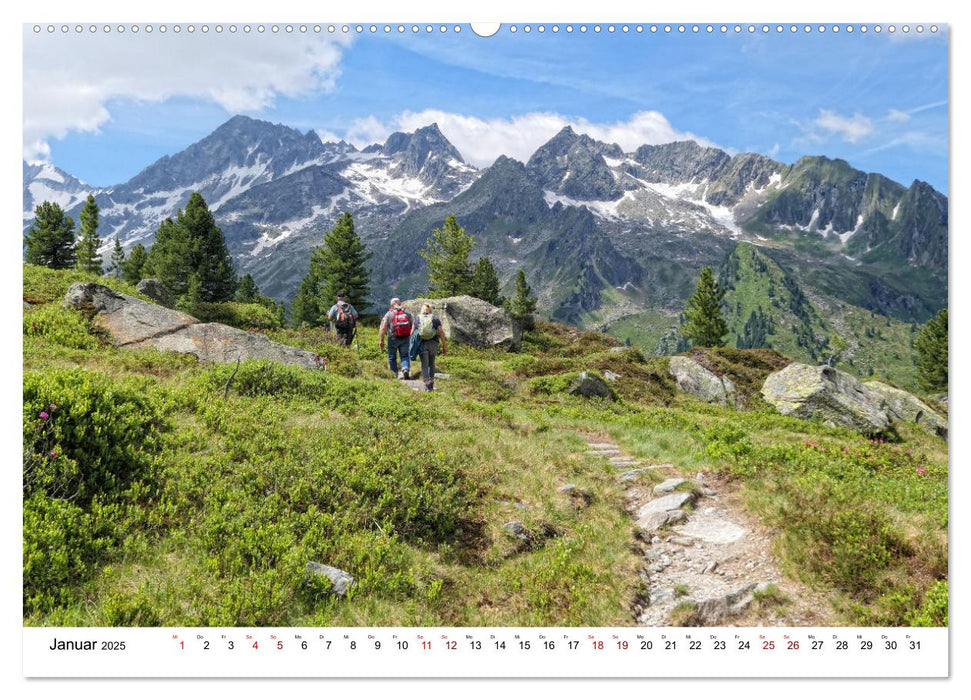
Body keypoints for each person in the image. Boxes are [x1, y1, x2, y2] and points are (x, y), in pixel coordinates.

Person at [414, 303, 447, 391]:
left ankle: (427, 385)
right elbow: (441, 332)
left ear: (422, 309)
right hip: (433, 344)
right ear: (430, 310)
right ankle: (431, 382)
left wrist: (412, 345)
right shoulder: (435, 318)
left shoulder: (418, 318)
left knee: (424, 365)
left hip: (423, 344)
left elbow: (412, 332)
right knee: (432, 364)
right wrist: (444, 346)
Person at [379, 297, 414, 379]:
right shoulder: (407, 312)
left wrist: (381, 340)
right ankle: (405, 368)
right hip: (405, 337)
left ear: (391, 305)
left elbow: (384, 328)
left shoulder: (389, 313)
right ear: (400, 303)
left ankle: (394, 374)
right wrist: (410, 335)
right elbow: (413, 325)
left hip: (392, 338)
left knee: (392, 357)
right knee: (405, 355)